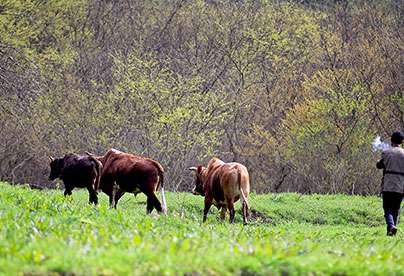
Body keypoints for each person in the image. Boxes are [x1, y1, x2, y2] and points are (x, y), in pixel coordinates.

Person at [376, 131, 404, 236]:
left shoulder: (386, 152)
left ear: (391, 140)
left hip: (388, 185)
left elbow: (379, 166)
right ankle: (390, 232)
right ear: (402, 141)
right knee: (395, 209)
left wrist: (378, 161)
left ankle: (391, 226)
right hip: (401, 186)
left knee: (387, 208)